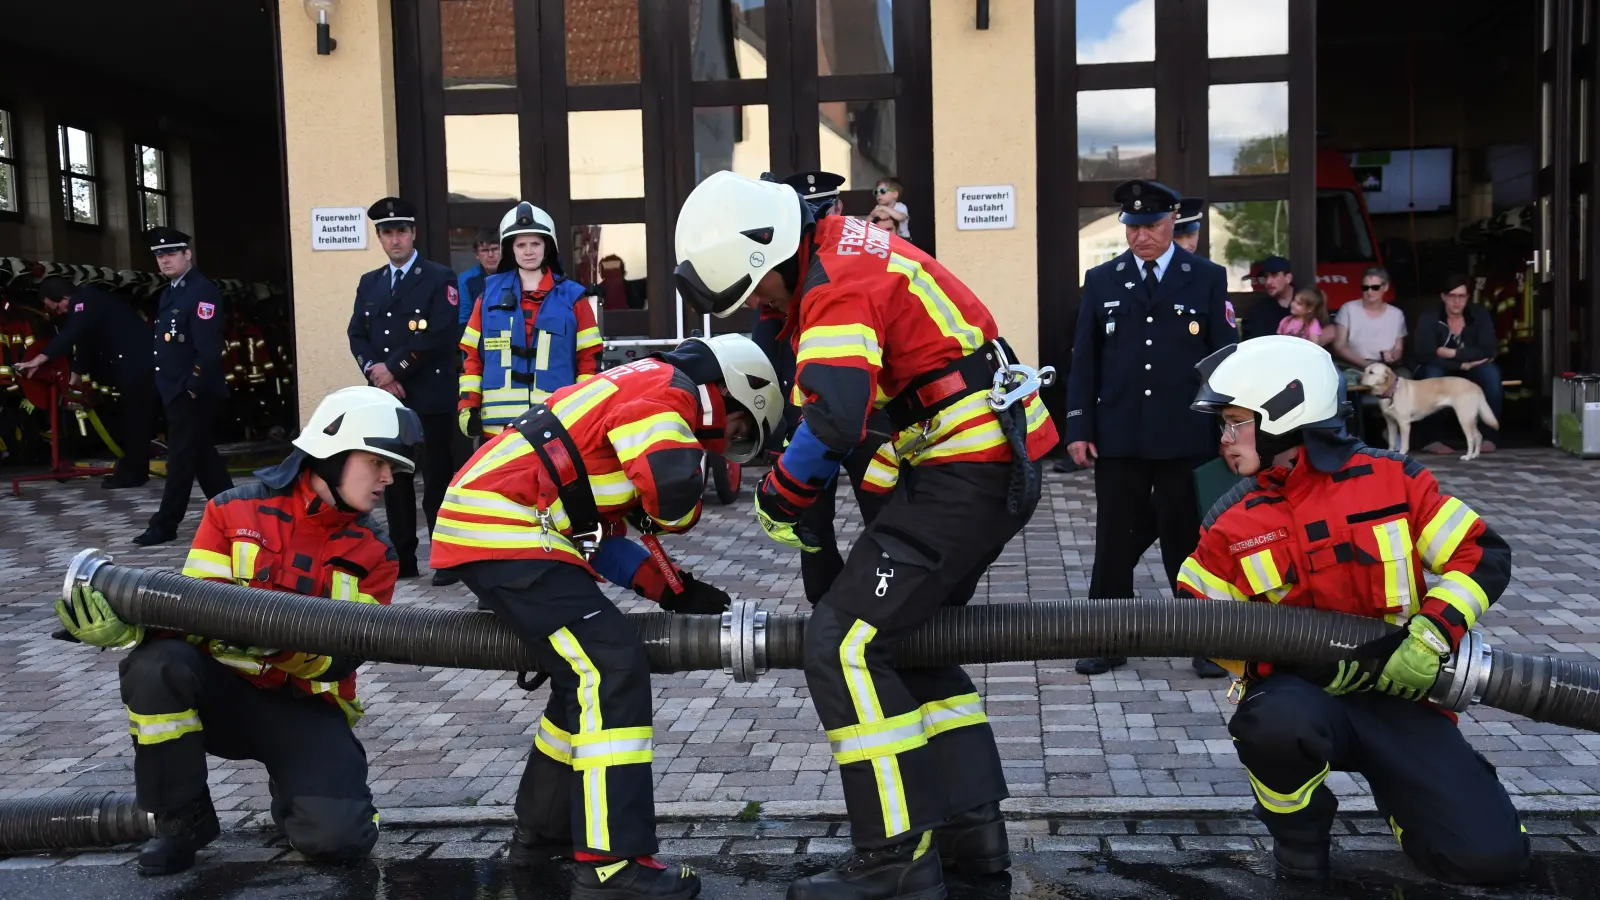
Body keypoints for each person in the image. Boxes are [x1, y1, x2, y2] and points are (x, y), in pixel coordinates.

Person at [674, 170, 1058, 900]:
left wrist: (783, 497)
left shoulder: (835, 285)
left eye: (755, 292)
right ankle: (969, 839)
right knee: (908, 641)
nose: (757, 307)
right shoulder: (838, 257)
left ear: (771, 255)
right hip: (977, 461)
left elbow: (833, 420)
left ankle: (895, 862)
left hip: (966, 469)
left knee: (841, 643)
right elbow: (874, 416)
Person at [431, 334, 782, 900]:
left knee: (583, 678)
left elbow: (596, 537)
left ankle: (543, 835)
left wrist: (673, 592)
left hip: (505, 530)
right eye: (741, 430)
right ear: (735, 395)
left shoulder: (641, 388)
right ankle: (614, 865)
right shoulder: (672, 392)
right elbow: (671, 490)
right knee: (610, 666)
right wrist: (676, 505)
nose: (729, 443)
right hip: (506, 532)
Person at [1176, 336, 1527, 885]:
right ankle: (1299, 834)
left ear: (1284, 410)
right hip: (1300, 699)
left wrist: (1431, 635)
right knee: (1272, 722)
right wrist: (1281, 665)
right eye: (1222, 424)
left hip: (1400, 696)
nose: (1223, 438)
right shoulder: (1232, 518)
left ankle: (1413, 804)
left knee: (1489, 859)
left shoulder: (1393, 480)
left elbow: (1482, 555)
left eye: (1234, 421)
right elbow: (1195, 616)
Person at [56, 386, 418, 875]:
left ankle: (297, 791)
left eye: (392, 468)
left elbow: (344, 659)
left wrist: (279, 644)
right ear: (331, 451)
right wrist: (126, 632)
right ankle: (182, 819)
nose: (386, 478)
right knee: (155, 667)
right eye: (377, 461)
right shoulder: (232, 511)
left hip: (304, 706)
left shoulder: (376, 552)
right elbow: (190, 615)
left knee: (339, 839)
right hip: (223, 694)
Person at [1064, 179, 1235, 678]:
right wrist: (1079, 425)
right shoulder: (1102, 280)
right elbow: (1086, 360)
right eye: (1133, 226)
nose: (1141, 236)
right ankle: (1107, 638)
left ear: (1172, 222)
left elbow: (1223, 359)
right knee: (1114, 539)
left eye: (1151, 225)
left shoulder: (1205, 277)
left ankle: (1201, 639)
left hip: (1185, 434)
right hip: (1120, 434)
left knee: (1188, 539)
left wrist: (1229, 426)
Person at [758, 169, 885, 603]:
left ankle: (880, 597)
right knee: (812, 522)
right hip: (808, 416)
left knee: (882, 510)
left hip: (870, 416)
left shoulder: (861, 260)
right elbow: (768, 351)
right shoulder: (786, 273)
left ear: (838, 209)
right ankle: (824, 601)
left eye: (823, 209)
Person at [347, 197, 460, 584]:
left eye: (401, 231)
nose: (395, 240)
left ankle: (445, 560)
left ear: (413, 233)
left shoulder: (439, 276)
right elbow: (357, 334)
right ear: (379, 237)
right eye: (386, 233)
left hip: (429, 396)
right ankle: (403, 560)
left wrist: (394, 369)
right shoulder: (371, 283)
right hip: (386, 400)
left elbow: (440, 334)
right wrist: (374, 372)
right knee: (393, 483)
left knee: (436, 482)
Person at [458, 201, 601, 441]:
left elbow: (589, 359)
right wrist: (468, 404)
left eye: (535, 243)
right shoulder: (487, 296)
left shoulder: (573, 297)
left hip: (556, 421)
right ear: (510, 249)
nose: (528, 251)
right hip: (498, 430)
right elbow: (471, 356)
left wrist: (583, 407)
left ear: (548, 247)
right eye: (521, 244)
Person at [134, 227, 235, 547]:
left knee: (180, 460)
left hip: (192, 391)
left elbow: (207, 347)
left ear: (187, 254)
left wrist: (191, 384)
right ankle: (237, 516)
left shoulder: (201, 291)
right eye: (160, 256)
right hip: (174, 388)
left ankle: (165, 524)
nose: (164, 260)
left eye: (171, 254)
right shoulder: (171, 291)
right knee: (204, 460)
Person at [16, 276, 155, 488]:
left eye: (52, 306)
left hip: (138, 365)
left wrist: (41, 358)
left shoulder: (85, 301)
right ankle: (135, 470)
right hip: (133, 367)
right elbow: (84, 345)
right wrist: (75, 378)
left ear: (63, 298)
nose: (55, 312)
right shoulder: (87, 307)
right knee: (134, 420)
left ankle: (134, 473)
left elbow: (74, 333)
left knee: (137, 421)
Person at [1410, 274, 1502, 455]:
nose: (1456, 301)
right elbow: (1425, 353)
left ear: (1468, 297)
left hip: (1471, 368)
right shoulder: (1430, 317)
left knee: (1491, 375)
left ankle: (1488, 437)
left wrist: (1453, 353)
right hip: (1441, 367)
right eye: (1452, 296)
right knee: (1432, 375)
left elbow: (1487, 349)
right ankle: (1430, 439)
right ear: (1443, 296)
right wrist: (1461, 365)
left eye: (1461, 296)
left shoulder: (1479, 314)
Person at [1331, 265, 1407, 375]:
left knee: (1405, 378)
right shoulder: (1348, 308)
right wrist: (1368, 365)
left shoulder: (1397, 314)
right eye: (1365, 287)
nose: (1369, 292)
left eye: (1375, 287)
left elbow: (1398, 349)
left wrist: (1392, 356)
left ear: (1385, 287)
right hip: (1354, 364)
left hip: (1386, 366)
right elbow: (1339, 346)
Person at [456, 227, 502, 341]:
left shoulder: (515, 275)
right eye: (485, 251)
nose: (490, 255)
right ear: (477, 254)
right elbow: (464, 321)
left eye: (495, 249)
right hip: (477, 345)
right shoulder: (466, 280)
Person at [1242, 255, 1295, 340]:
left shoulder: (1308, 302)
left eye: (1274, 275)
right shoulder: (1259, 309)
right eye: (1266, 277)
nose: (1268, 282)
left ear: (1288, 278)